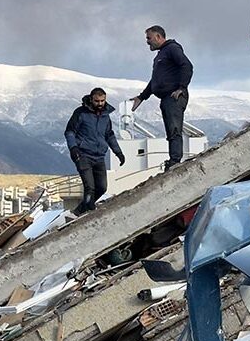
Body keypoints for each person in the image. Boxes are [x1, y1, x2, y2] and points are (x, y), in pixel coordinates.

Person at [131, 26, 193, 170]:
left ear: (158, 37)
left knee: (174, 129)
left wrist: (181, 88)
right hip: (166, 98)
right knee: (171, 130)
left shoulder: (172, 49)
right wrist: (141, 97)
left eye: (149, 38)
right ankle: (173, 160)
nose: (147, 41)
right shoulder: (161, 55)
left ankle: (175, 161)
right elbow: (156, 80)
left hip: (173, 97)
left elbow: (187, 66)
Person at [65, 87, 125, 215]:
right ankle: (89, 211)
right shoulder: (81, 113)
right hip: (83, 155)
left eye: (102, 101)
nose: (100, 104)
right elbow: (69, 131)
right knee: (90, 188)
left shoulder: (105, 116)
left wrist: (118, 152)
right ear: (91, 100)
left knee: (102, 188)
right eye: (97, 101)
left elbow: (109, 135)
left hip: (99, 157)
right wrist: (73, 148)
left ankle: (79, 211)